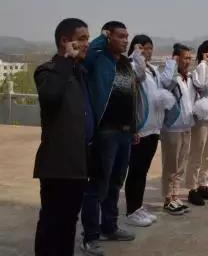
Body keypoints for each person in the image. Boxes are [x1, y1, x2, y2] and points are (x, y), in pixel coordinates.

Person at [81, 22, 142, 256]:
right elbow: (85, 58)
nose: (126, 40)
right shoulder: (97, 60)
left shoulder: (125, 64)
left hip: (124, 133)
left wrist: (134, 127)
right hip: (105, 132)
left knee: (116, 182)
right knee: (98, 185)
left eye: (127, 36)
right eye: (120, 36)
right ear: (108, 37)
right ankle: (90, 236)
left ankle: (110, 227)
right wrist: (100, 38)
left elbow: (131, 97)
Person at [34, 18, 92, 256]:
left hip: (78, 163)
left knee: (69, 221)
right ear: (65, 41)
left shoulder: (79, 72)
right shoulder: (48, 70)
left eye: (88, 39)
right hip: (57, 164)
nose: (87, 44)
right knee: (52, 222)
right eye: (82, 39)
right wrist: (66, 59)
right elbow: (50, 97)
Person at [124, 35, 175, 227]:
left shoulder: (152, 69)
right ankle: (131, 211)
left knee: (143, 171)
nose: (147, 51)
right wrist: (136, 57)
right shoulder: (130, 66)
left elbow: (167, 84)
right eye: (143, 48)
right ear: (135, 48)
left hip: (154, 128)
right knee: (135, 171)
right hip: (140, 129)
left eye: (150, 48)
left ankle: (137, 207)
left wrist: (171, 63)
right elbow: (137, 78)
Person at [185, 40, 208, 206]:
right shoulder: (199, 70)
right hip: (202, 119)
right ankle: (192, 188)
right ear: (204, 53)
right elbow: (200, 85)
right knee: (197, 154)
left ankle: (203, 184)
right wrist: (203, 63)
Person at [160, 43, 196, 215]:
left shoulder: (188, 78)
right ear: (176, 58)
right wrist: (171, 64)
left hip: (186, 125)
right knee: (170, 165)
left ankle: (175, 195)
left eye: (190, 58)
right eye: (185, 58)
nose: (188, 61)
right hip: (172, 128)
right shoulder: (170, 77)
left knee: (180, 165)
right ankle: (168, 199)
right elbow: (167, 83)